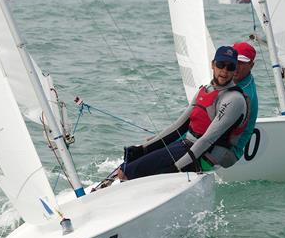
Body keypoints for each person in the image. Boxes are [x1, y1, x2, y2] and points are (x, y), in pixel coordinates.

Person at [107, 46, 250, 183]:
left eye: (230, 67)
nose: (224, 71)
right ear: (213, 65)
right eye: (220, 65)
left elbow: (207, 139)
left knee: (128, 172)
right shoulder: (206, 90)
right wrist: (144, 148)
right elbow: (179, 126)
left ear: (234, 70)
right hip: (187, 145)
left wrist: (177, 167)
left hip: (205, 155)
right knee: (131, 161)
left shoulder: (234, 100)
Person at [231, 41, 259, 160]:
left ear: (251, 65)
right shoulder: (233, 82)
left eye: (241, 62)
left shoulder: (244, 94)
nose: (236, 66)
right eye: (234, 61)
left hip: (227, 150)